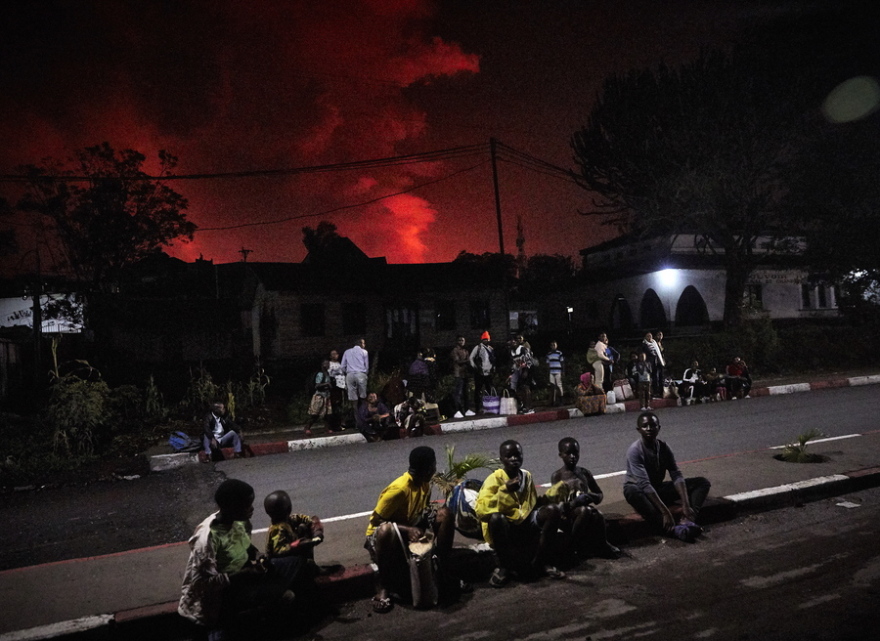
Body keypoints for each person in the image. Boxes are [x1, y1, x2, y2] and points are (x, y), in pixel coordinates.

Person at [179, 479, 302, 636]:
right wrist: (245, 574)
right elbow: (201, 585)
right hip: (223, 594)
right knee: (286, 597)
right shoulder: (207, 540)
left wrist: (257, 554)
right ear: (231, 507)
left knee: (297, 561)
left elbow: (246, 546)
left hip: (246, 576)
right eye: (247, 505)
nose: (251, 509)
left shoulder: (240, 522)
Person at [364, 446, 458, 613]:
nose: (435, 470)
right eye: (434, 466)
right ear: (429, 468)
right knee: (386, 530)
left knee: (445, 515)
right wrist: (407, 529)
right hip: (386, 539)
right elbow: (376, 520)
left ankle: (445, 572)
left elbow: (420, 514)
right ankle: (383, 587)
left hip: (409, 531)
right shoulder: (399, 489)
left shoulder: (424, 484)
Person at [475, 440, 565, 588]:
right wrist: (504, 490)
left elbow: (532, 504)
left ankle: (541, 562)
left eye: (517, 455)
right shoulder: (494, 479)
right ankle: (505, 567)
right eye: (508, 456)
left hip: (525, 523)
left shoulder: (526, 476)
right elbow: (481, 512)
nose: (513, 459)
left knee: (553, 510)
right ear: (501, 459)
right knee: (497, 518)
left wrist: (553, 495)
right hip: (507, 528)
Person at [623, 412, 711, 542]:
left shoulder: (664, 447)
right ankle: (672, 530)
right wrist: (665, 511)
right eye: (645, 426)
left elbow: (676, 474)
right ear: (639, 430)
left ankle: (688, 520)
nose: (649, 429)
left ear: (659, 428)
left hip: (656, 488)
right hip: (640, 490)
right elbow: (644, 484)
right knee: (632, 492)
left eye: (653, 425)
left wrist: (686, 504)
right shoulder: (635, 450)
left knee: (702, 483)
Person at [546, 437, 621, 559]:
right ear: (561, 455)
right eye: (568, 453)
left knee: (598, 515)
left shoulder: (584, 473)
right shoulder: (557, 476)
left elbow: (599, 494)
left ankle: (602, 544)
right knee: (585, 510)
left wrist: (591, 496)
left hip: (584, 510)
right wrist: (573, 503)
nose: (572, 457)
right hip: (567, 514)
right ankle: (573, 546)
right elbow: (558, 503)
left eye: (575, 453)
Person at [264, 490, 324, 562]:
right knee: (303, 542)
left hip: (285, 556)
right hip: (279, 562)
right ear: (289, 508)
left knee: (303, 527)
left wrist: (316, 531)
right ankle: (308, 566)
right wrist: (297, 545)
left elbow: (306, 519)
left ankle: (308, 564)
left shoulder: (287, 520)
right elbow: (278, 551)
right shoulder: (278, 529)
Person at [469, 331, 496, 413]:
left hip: (488, 373)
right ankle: (478, 408)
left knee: (489, 390)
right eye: (484, 339)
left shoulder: (491, 349)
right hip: (480, 373)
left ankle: (490, 408)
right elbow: (471, 358)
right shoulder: (478, 348)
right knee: (478, 390)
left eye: (487, 339)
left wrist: (493, 368)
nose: (486, 341)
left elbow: (493, 360)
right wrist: (475, 367)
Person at [304, 361, 332, 437]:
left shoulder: (327, 374)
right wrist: (326, 384)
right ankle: (307, 427)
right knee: (315, 413)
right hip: (319, 396)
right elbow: (317, 385)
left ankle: (326, 428)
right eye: (326, 364)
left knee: (326, 413)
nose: (328, 365)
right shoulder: (321, 374)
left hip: (326, 395)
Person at [508, 337, 534, 414]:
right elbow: (514, 364)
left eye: (514, 342)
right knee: (520, 388)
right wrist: (511, 374)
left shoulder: (522, 349)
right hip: (519, 370)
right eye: (511, 342)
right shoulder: (512, 352)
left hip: (527, 368)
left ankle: (529, 407)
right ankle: (523, 405)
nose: (513, 343)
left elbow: (529, 360)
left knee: (526, 387)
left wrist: (526, 371)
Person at [450, 335, 475, 418]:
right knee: (458, 393)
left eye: (463, 340)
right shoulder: (455, 350)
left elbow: (468, 360)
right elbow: (457, 361)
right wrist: (467, 361)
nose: (461, 342)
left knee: (465, 393)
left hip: (464, 374)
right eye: (460, 340)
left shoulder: (465, 350)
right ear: (457, 341)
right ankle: (457, 411)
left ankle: (466, 410)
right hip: (458, 374)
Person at [341, 338, 369, 407]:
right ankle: (363, 412)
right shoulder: (364, 352)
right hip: (361, 374)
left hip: (350, 375)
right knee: (363, 396)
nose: (364, 345)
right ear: (360, 344)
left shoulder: (347, 352)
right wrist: (366, 374)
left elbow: (342, 366)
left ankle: (355, 415)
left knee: (353, 398)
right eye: (364, 343)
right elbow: (366, 366)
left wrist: (346, 373)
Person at [641, 332, 666, 398]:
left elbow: (660, 352)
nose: (649, 337)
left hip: (658, 362)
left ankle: (661, 392)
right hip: (651, 363)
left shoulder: (655, 343)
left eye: (650, 336)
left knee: (660, 377)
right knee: (654, 378)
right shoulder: (644, 344)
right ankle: (655, 392)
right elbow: (649, 353)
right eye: (648, 336)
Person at [326, 349, 346, 431]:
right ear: (330, 356)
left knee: (340, 405)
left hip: (341, 386)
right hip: (334, 386)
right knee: (334, 406)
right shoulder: (329, 364)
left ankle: (340, 423)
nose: (335, 355)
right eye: (333, 354)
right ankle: (333, 425)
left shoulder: (339, 363)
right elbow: (329, 373)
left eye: (336, 354)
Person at [545, 340, 565, 406]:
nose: (553, 346)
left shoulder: (559, 353)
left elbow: (562, 362)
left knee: (559, 385)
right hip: (551, 371)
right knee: (552, 385)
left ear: (556, 346)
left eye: (554, 345)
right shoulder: (549, 354)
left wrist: (563, 371)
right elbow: (547, 363)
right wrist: (548, 372)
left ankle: (561, 400)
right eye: (552, 345)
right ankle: (553, 401)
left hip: (558, 371)